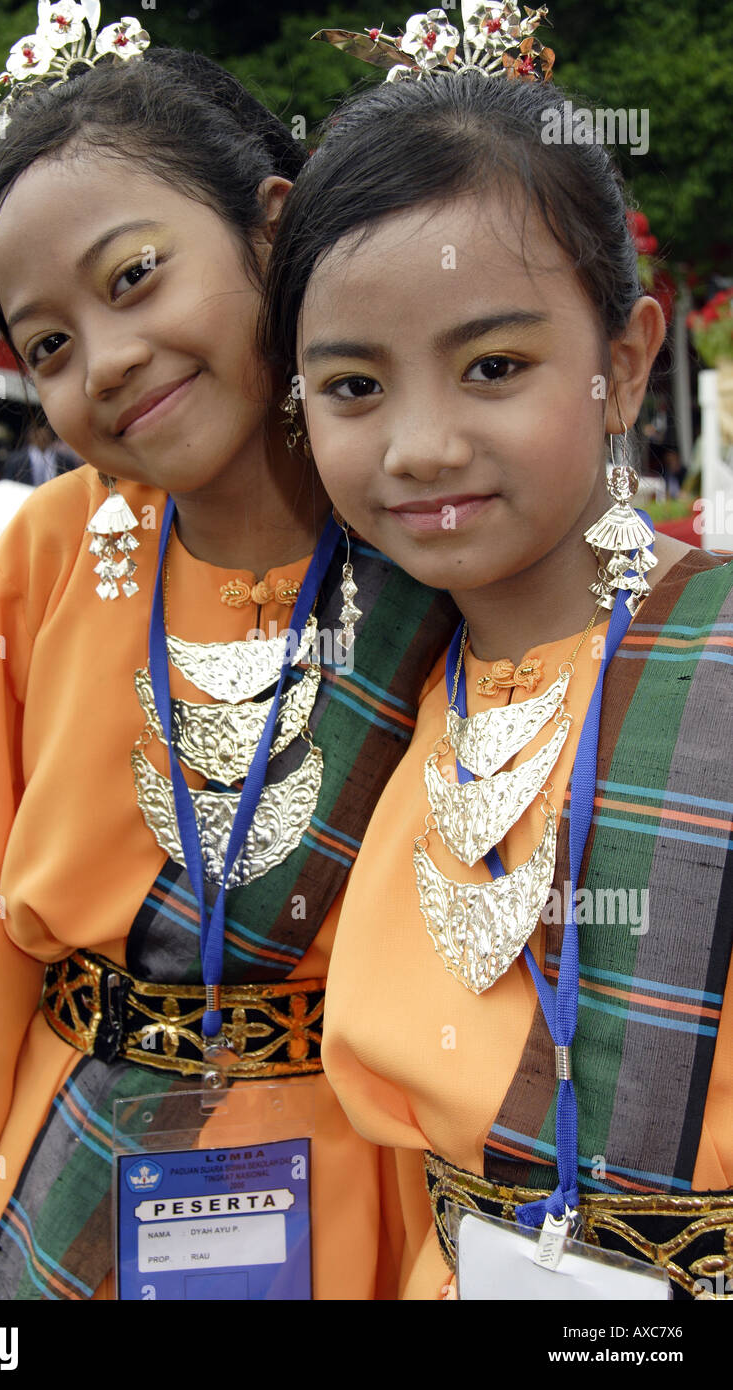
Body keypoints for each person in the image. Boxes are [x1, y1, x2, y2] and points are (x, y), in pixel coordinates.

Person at [0, 29, 452, 1300]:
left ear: (271, 226)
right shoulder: (59, 545)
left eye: (131, 277)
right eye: (46, 347)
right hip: (71, 1181)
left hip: (350, 1201)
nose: (106, 360)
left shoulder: (428, 548)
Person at [262, 27, 733, 1300]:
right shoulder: (372, 698)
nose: (418, 444)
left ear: (623, 364)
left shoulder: (719, 659)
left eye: (492, 367)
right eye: (353, 385)